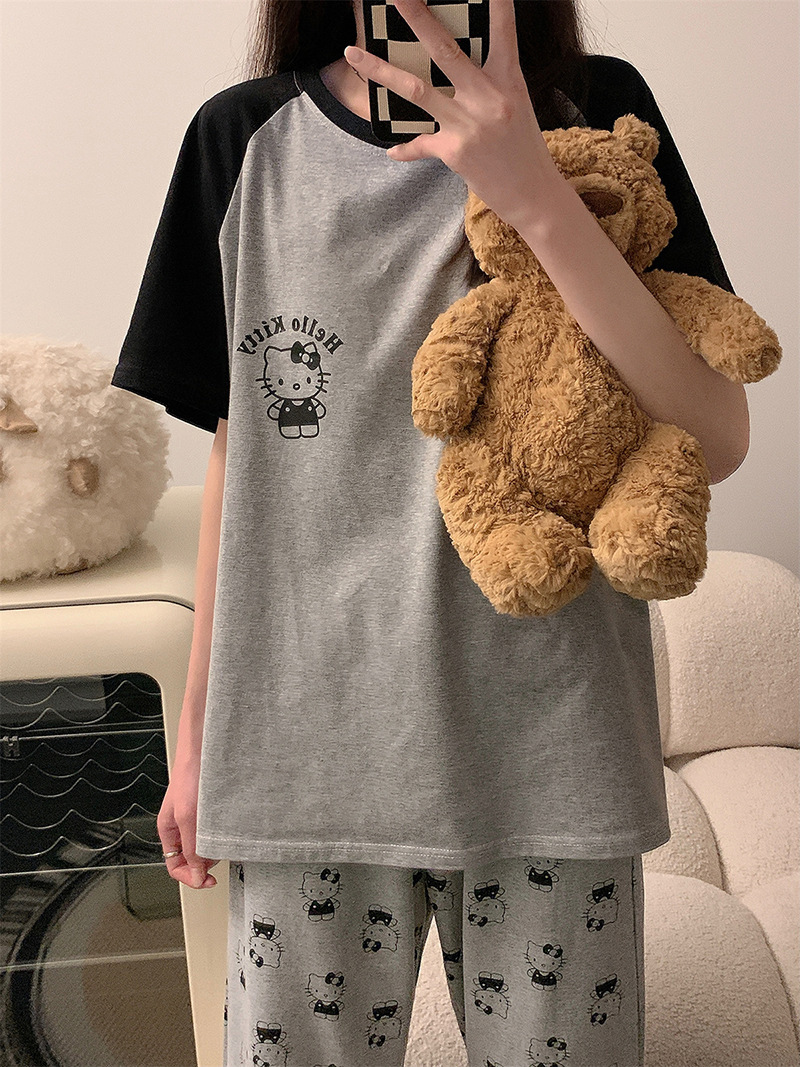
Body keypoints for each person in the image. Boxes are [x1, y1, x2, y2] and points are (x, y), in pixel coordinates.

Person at [111, 1, 750, 1064]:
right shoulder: (243, 138)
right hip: (303, 752)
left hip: (555, 748)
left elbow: (715, 436)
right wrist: (198, 737)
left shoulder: (595, 111)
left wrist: (532, 191)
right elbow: (243, 453)